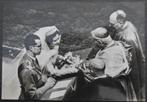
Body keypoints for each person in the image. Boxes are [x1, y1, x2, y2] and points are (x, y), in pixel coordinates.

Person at [63, 27, 136, 101]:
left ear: (99, 41)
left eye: (95, 40)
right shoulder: (114, 44)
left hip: (111, 88)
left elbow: (108, 75)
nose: (94, 43)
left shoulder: (111, 54)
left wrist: (83, 68)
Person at [109, 10, 145, 100]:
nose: (112, 26)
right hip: (133, 58)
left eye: (113, 24)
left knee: (134, 82)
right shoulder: (127, 25)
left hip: (133, 64)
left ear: (120, 22)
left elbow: (130, 59)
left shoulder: (128, 38)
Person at [18, 34, 56, 100]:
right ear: (31, 48)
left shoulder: (31, 58)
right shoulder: (27, 70)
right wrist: (47, 85)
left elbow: (36, 79)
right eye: (39, 46)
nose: (41, 48)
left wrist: (45, 80)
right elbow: (32, 96)